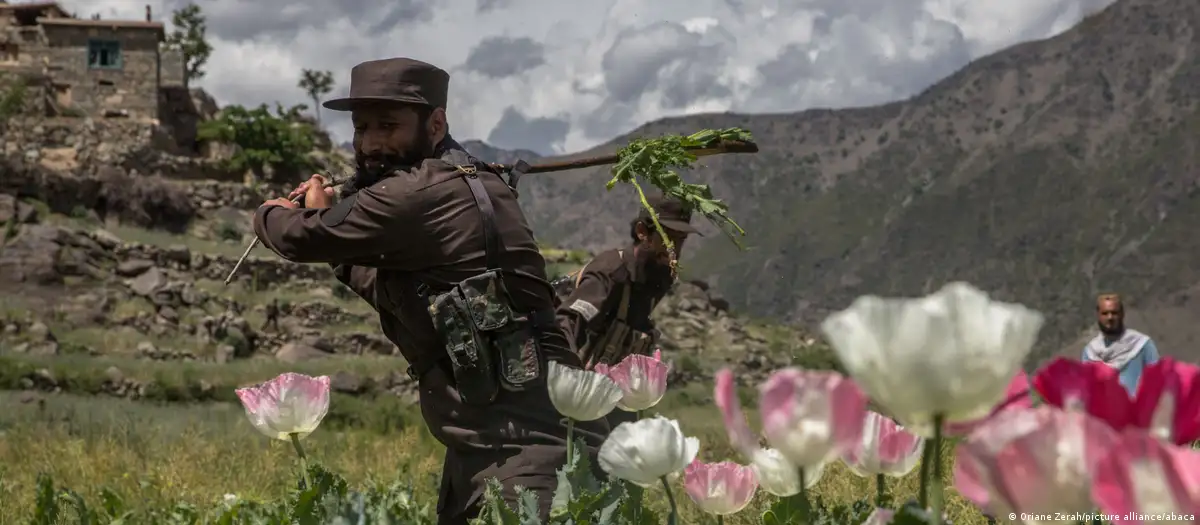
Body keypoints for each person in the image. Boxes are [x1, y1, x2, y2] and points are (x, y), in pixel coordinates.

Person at [251, 57, 608, 524]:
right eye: (361, 129)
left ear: (436, 123)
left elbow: (296, 236)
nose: (371, 143)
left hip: (531, 457)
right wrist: (338, 240)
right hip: (489, 449)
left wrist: (272, 210)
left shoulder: (416, 194)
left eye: (388, 126)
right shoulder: (477, 185)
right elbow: (392, 287)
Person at [555, 194, 698, 426]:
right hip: (581, 403)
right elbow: (567, 324)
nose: (674, 249)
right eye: (668, 237)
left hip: (618, 403)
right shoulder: (611, 274)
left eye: (680, 240)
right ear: (643, 232)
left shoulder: (659, 275)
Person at [1082, 294, 1161, 395]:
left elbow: (1158, 382)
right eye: (1105, 313)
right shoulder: (1090, 353)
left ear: (1122, 314)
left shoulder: (1141, 345)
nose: (1110, 317)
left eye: (1114, 313)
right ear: (1098, 316)